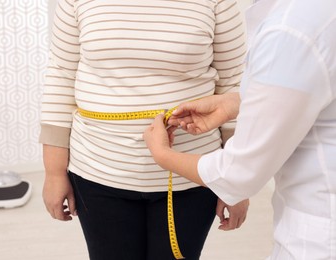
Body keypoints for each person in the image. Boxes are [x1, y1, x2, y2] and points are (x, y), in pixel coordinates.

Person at [39, 0, 250, 259]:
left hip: (192, 175)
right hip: (98, 171)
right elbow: (61, 76)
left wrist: (237, 182)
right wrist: (54, 172)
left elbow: (236, 84)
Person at [143, 0, 336, 259]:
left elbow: (238, 172)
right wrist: (236, 101)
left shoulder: (290, 31)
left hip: (320, 237)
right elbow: (314, 88)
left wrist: (162, 155)